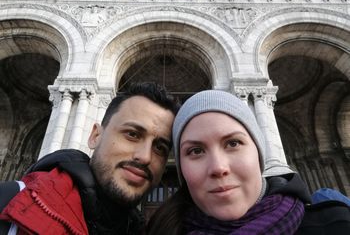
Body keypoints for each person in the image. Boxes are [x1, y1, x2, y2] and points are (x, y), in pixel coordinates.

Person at [147, 90, 350, 235]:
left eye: (233, 143)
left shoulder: (337, 224)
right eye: (196, 151)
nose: (218, 167)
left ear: (258, 152)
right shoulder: (159, 229)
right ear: (181, 167)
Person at [0, 82, 179, 235]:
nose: (145, 156)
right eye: (132, 134)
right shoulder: (9, 202)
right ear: (95, 136)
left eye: (160, 147)